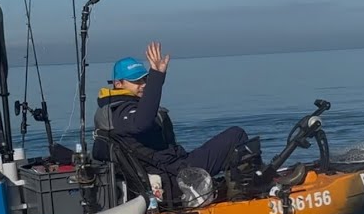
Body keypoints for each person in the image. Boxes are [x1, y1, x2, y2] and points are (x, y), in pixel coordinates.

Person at [92, 41, 249, 179]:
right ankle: (244, 191)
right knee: (236, 135)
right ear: (119, 84)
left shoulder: (120, 108)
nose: (144, 84)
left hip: (173, 166)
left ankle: (229, 183)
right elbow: (141, 122)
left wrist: (156, 78)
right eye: (136, 81)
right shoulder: (121, 111)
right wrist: (156, 76)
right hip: (174, 174)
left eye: (145, 79)